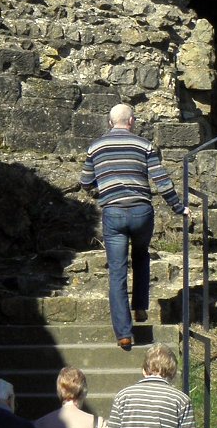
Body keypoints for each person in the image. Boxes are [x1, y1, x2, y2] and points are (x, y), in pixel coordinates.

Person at [79, 104, 189, 351]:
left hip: (113, 213)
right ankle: (140, 306)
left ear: (110, 122)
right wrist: (178, 207)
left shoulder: (95, 147)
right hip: (142, 211)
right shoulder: (144, 145)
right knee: (141, 254)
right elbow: (161, 180)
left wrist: (100, 191)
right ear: (131, 122)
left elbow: (85, 182)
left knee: (117, 272)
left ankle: (124, 334)